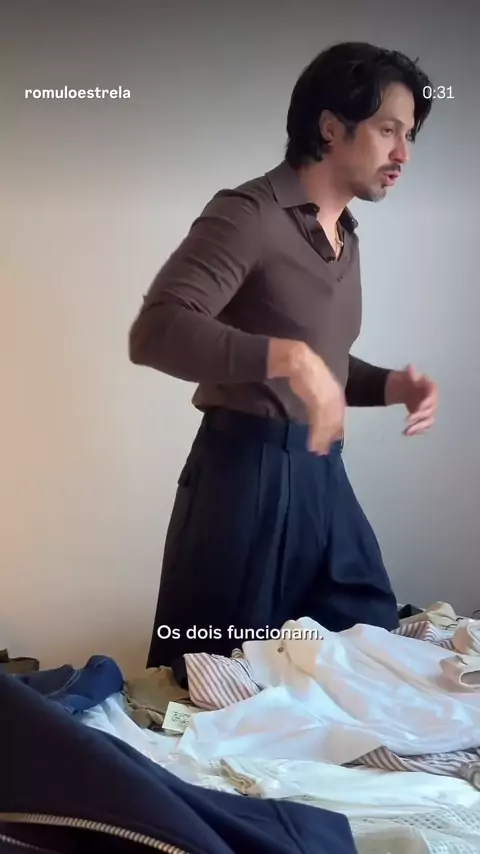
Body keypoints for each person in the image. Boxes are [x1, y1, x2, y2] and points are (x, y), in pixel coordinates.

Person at [129, 41, 439, 668]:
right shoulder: (249, 214)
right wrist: (291, 360)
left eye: (408, 135)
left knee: (367, 643)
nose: (403, 153)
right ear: (330, 127)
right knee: (219, 674)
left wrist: (390, 387)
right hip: (245, 478)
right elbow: (157, 331)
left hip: (324, 479)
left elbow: (327, 365)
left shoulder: (344, 236)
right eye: (388, 130)